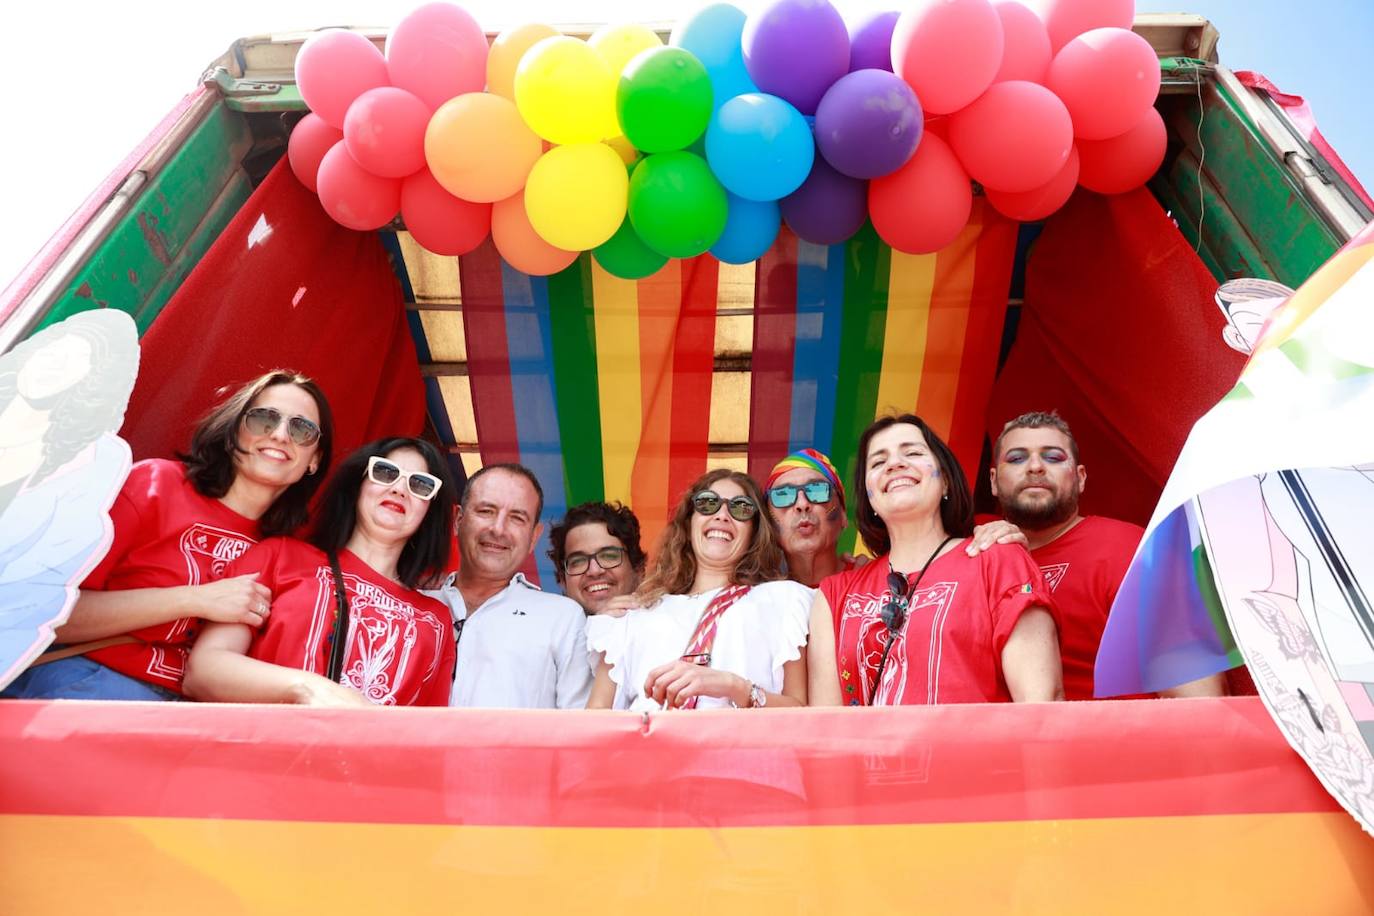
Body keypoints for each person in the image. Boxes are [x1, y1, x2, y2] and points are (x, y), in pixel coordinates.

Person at [3, 369, 333, 701]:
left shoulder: (295, 553)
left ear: (314, 460)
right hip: (93, 682)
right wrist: (197, 599)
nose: (279, 435)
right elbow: (36, 610)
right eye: (263, 419)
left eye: (302, 429)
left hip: (201, 716)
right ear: (234, 430)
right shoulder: (156, 486)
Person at [808, 413, 1063, 706]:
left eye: (913, 453)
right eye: (878, 462)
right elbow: (825, 730)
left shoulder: (999, 559)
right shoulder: (834, 595)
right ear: (869, 500)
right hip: (866, 754)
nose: (895, 464)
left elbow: (1042, 704)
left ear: (946, 483)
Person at [184, 437, 457, 706]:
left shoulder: (436, 621)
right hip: (263, 746)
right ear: (357, 485)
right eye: (385, 472)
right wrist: (308, 688)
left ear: (429, 510)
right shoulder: (281, 557)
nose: (399, 489)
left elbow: (427, 733)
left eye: (421, 485)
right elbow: (205, 671)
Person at [586, 468, 812, 711]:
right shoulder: (632, 617)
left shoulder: (785, 601)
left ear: (755, 531)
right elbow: (594, 725)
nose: (722, 515)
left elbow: (802, 716)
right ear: (689, 521)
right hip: (651, 748)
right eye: (708, 503)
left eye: (740, 508)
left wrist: (733, 686)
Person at [988, 411, 1148, 701]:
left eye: (1053, 458)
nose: (1035, 467)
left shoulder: (1128, 546)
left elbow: (1198, 695)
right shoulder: (971, 550)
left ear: (1080, 477)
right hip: (993, 740)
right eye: (1016, 459)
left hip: (1112, 741)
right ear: (994, 481)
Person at [427, 463, 592, 708]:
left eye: (517, 518)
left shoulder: (562, 618)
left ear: (534, 537)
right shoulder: (413, 607)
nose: (498, 529)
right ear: (458, 520)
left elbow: (579, 728)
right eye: (486, 511)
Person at [764, 449, 853, 587]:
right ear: (768, 522)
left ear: (843, 514)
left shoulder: (876, 587)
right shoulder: (759, 598)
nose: (802, 504)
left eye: (817, 489)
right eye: (783, 495)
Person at [547, 501, 647, 615]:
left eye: (609, 556)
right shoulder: (547, 631)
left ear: (639, 570)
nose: (594, 571)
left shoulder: (667, 626)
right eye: (578, 561)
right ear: (562, 580)